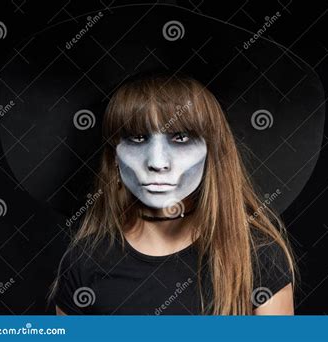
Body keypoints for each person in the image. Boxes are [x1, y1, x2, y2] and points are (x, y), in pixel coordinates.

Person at [50, 72, 297, 315]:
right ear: (114, 157)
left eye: (180, 138)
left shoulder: (256, 255)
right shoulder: (84, 262)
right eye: (137, 138)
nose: (158, 162)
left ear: (212, 153)